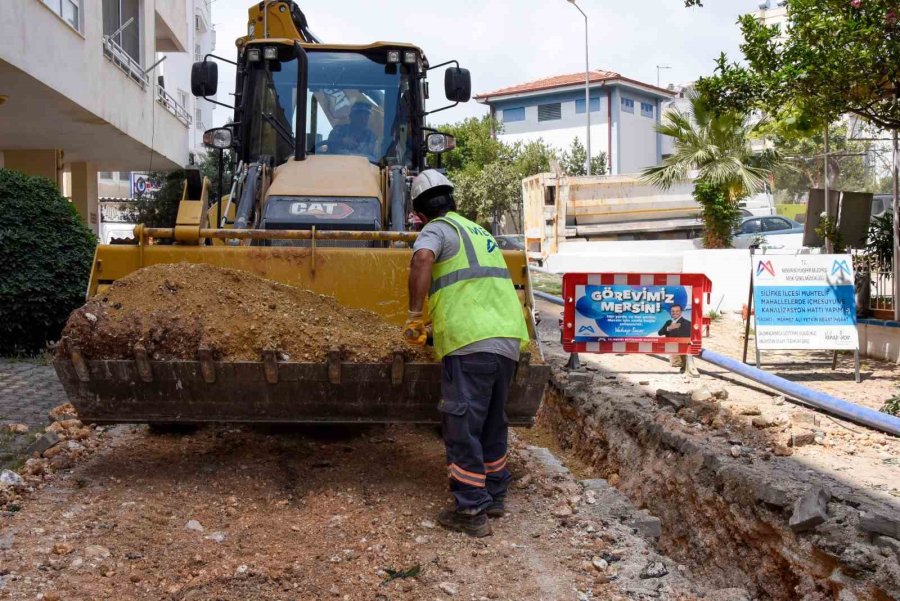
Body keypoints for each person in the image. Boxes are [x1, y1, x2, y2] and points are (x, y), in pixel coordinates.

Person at [403, 170, 529, 538]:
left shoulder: (436, 230)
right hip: (505, 340)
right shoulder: (479, 233)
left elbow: (422, 260)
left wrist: (414, 315)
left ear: (420, 214)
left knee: (461, 423)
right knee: (492, 420)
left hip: (469, 343)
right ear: (453, 201)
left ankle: (471, 508)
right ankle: (495, 494)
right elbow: (473, 288)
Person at [658, 304, 692, 371]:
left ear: (681, 312)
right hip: (672, 353)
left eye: (677, 311)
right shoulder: (668, 322)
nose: (675, 313)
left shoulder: (687, 323)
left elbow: (686, 337)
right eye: (673, 311)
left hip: (680, 353)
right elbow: (660, 333)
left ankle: (683, 366)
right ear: (670, 312)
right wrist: (668, 328)